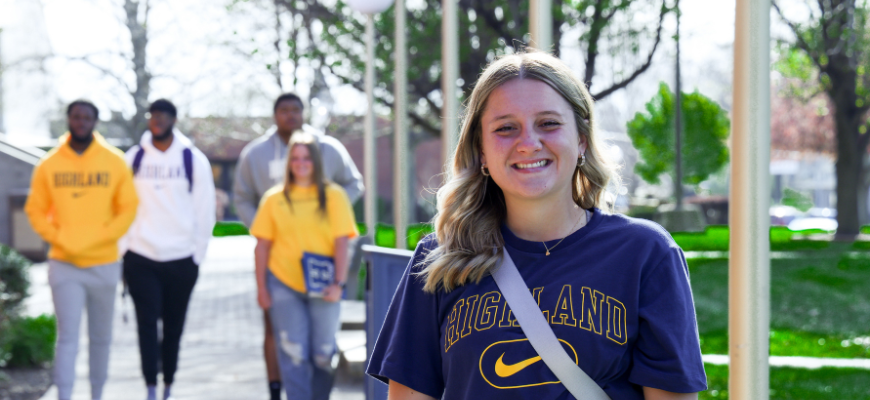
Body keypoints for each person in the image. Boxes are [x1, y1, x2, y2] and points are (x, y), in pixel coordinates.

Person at [365, 52, 707, 400]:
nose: (528, 144)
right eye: (505, 128)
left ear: (581, 139)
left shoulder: (645, 254)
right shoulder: (439, 259)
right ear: (481, 151)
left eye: (548, 123)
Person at [233, 93, 364, 400]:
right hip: (284, 281)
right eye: (295, 159)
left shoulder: (334, 192)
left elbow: (342, 240)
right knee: (292, 351)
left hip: (323, 280)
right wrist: (262, 286)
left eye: (307, 159)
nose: (301, 164)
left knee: (322, 352)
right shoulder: (271, 193)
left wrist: (339, 282)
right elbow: (259, 240)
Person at [25, 100, 138, 400]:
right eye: (76, 117)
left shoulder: (115, 161)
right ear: (68, 119)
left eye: (87, 117)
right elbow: (35, 210)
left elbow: (128, 208)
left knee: (101, 338)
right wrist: (59, 237)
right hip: (64, 264)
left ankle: (97, 394)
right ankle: (65, 395)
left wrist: (102, 237)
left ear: (95, 122)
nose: (81, 122)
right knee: (67, 338)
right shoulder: (49, 164)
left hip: (105, 263)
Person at [121, 99, 217, 400]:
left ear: (174, 120)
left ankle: (168, 384)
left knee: (174, 327)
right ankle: (150, 385)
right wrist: (124, 250)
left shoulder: (192, 159)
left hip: (181, 259)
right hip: (141, 257)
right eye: (153, 116)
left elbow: (205, 211)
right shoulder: (134, 158)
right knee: (147, 325)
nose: (157, 121)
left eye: (163, 116)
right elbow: (121, 206)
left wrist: (198, 255)